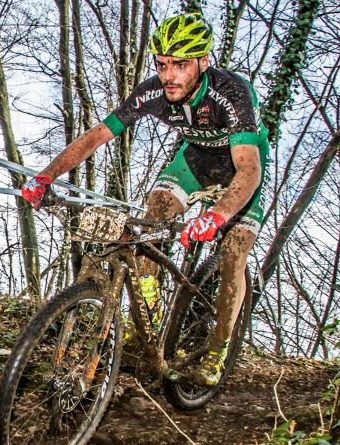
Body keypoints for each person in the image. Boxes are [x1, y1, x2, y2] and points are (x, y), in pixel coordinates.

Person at [22, 12, 269, 387]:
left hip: (240, 169)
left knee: (234, 253)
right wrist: (45, 176)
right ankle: (146, 316)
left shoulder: (230, 93)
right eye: (162, 64)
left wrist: (217, 216)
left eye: (181, 65)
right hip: (196, 162)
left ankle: (218, 351)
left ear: (203, 62)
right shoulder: (152, 92)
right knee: (155, 214)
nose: (169, 75)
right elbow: (97, 135)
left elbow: (249, 169)